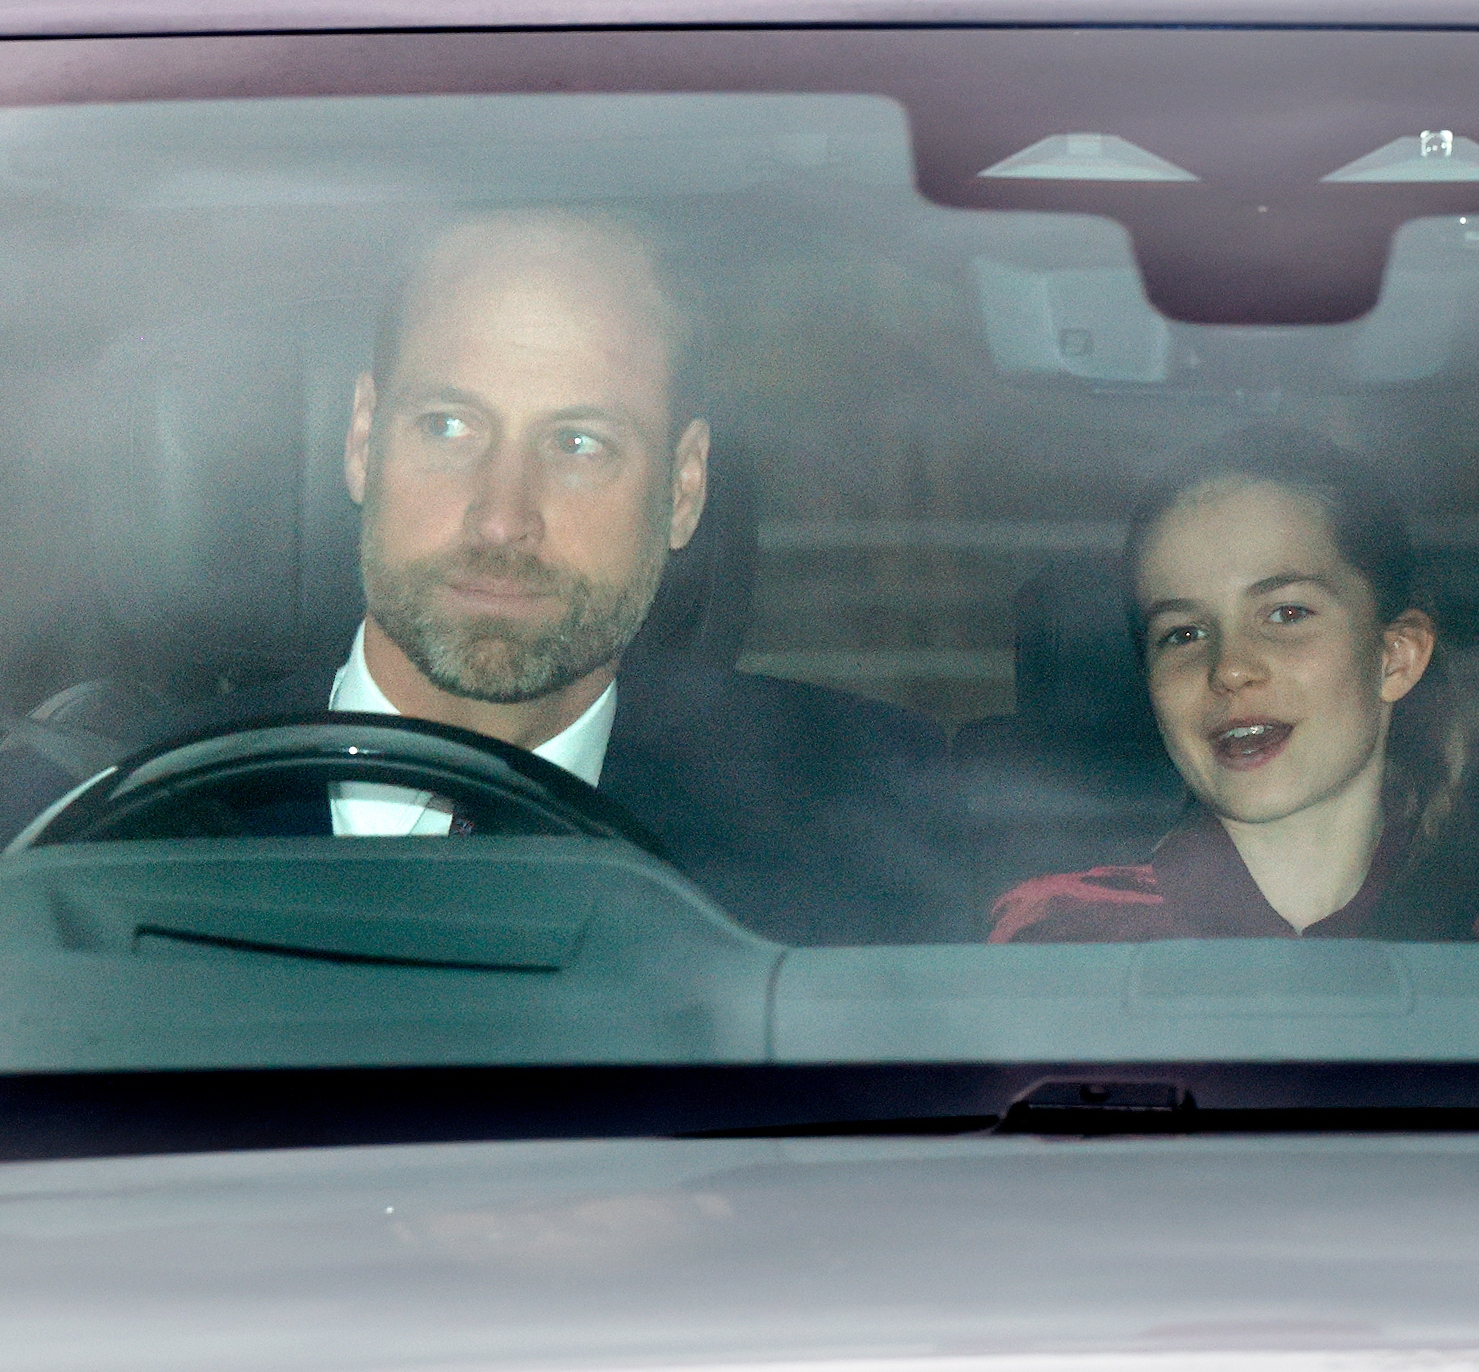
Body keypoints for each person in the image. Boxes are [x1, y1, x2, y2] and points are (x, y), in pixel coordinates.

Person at [0, 208, 965, 946]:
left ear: (682, 489)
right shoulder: (90, 838)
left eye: (580, 443)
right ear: (363, 441)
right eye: (448, 428)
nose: (503, 516)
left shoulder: (874, 817)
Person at [988, 425, 1479, 943]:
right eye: (1182, 634)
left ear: (1395, 657)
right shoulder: (1060, 939)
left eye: (1287, 614)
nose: (1230, 668)